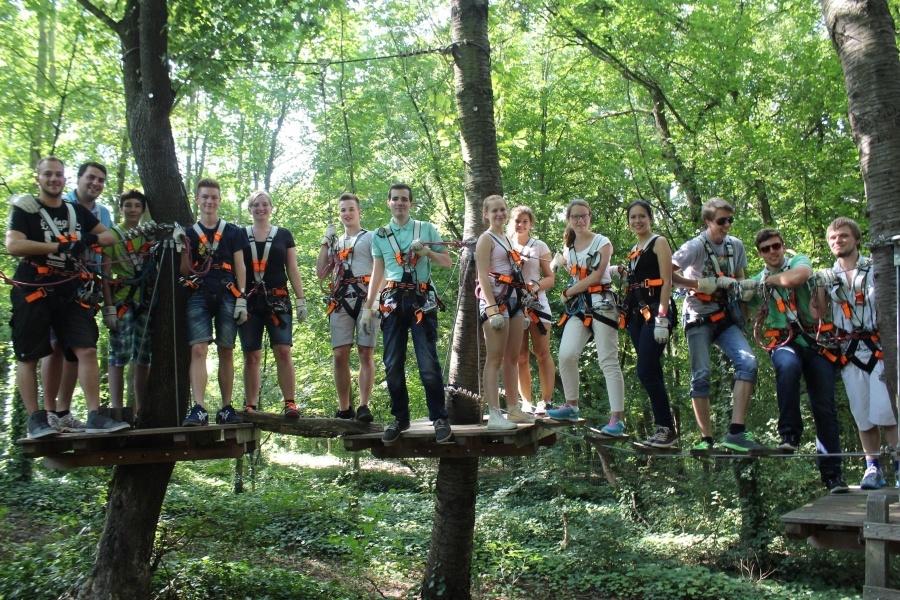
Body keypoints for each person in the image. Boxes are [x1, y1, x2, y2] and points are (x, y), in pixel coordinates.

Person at [7, 156, 130, 438]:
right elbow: (14, 244)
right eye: (48, 174)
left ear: (65, 179)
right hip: (33, 285)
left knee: (84, 347)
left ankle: (95, 415)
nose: (54, 179)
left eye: (59, 175)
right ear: (37, 178)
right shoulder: (26, 208)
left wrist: (89, 239)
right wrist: (61, 246)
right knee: (30, 354)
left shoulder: (76, 211)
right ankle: (37, 419)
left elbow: (109, 237)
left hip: (69, 288)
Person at [742, 228, 847, 493]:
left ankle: (833, 475)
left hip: (816, 343)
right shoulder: (759, 280)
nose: (772, 252)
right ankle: (789, 433)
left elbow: (798, 278)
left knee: (824, 406)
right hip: (785, 343)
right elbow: (744, 306)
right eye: (765, 249)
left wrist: (769, 281)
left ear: (782, 246)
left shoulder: (799, 261)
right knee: (786, 366)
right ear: (760, 254)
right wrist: (737, 287)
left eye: (775, 246)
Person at [361, 184, 454, 444]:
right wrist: (369, 308)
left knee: (427, 364)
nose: (400, 203)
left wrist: (427, 252)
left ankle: (439, 417)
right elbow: (378, 273)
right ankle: (400, 418)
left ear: (411, 204)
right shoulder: (380, 235)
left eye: (404, 199)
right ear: (388, 203)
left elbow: (447, 261)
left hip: (421, 300)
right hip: (391, 302)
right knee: (392, 364)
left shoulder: (425, 229)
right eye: (395, 199)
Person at [671, 197, 763, 452]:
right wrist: (697, 285)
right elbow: (666, 271)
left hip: (726, 318)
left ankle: (736, 432)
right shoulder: (695, 247)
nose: (727, 225)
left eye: (730, 220)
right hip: (698, 317)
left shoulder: (736, 246)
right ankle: (705, 439)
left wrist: (744, 300)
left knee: (748, 363)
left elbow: (741, 278)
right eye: (722, 221)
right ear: (708, 221)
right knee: (701, 375)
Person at [817, 217, 898, 489]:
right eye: (833, 238)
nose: (838, 241)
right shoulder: (828, 277)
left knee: (887, 412)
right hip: (849, 351)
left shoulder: (876, 268)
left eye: (843, 236)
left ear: (856, 239)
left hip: (879, 348)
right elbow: (818, 314)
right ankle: (872, 468)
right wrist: (818, 287)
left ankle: (898, 464)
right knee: (862, 414)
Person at [41, 161, 113, 432]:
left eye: (100, 180)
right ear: (79, 179)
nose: (95, 183)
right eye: (91, 178)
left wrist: (108, 300)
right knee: (54, 345)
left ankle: (64, 411)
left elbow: (105, 251)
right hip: (52, 281)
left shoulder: (103, 214)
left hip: (84, 285)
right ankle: (49, 412)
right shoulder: (62, 204)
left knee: (77, 347)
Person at [546, 199, 626, 436]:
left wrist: (568, 292)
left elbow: (597, 276)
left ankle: (617, 419)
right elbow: (585, 272)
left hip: (602, 304)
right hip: (579, 308)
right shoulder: (569, 249)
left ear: (590, 217)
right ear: (568, 220)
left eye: (584, 216)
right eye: (575, 217)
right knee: (566, 354)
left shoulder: (602, 242)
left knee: (607, 360)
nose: (580, 220)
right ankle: (571, 405)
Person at [178, 178, 249, 426]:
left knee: (226, 349)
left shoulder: (233, 232)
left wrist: (242, 298)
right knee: (198, 348)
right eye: (205, 197)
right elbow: (185, 272)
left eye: (214, 197)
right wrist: (182, 247)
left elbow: (240, 266)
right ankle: (198, 407)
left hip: (228, 292)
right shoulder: (188, 234)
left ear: (219, 200)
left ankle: (226, 406)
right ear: (197, 199)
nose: (209, 201)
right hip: (198, 292)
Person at [238, 190, 307, 417]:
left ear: (271, 207)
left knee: (283, 350)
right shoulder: (240, 235)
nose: (261, 208)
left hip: (278, 300)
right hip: (249, 302)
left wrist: (300, 299)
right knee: (251, 354)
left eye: (265, 204)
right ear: (250, 209)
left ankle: (290, 403)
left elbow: (293, 268)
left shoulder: (283, 235)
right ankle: (251, 405)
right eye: (256, 205)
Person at [620, 201, 678, 448]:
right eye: (633, 217)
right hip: (636, 316)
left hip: (656, 312)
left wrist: (663, 317)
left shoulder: (659, 242)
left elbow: (666, 281)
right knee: (651, 371)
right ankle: (663, 429)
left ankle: (666, 427)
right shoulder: (635, 248)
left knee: (645, 370)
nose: (637, 221)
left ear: (650, 218)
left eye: (642, 216)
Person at [316, 193, 377, 422]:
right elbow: (321, 272)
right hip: (341, 299)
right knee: (339, 354)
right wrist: (325, 242)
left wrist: (375, 302)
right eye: (343, 210)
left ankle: (363, 405)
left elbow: (381, 267)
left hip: (366, 298)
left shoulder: (371, 237)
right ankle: (344, 408)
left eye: (351, 209)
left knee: (365, 352)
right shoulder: (334, 243)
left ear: (359, 212)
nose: (347, 214)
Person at [476, 195, 530, 431]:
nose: (500, 214)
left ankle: (513, 408)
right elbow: (482, 276)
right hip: (495, 302)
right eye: (495, 210)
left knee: (513, 357)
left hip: (515, 301)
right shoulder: (485, 239)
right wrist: (491, 309)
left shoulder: (506, 239)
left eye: (503, 210)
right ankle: (495, 414)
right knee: (495, 358)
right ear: (486, 214)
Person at [101, 190, 155, 414]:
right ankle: (117, 408)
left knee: (143, 355)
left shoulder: (148, 236)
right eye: (128, 205)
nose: (133, 209)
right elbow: (105, 275)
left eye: (137, 205)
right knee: (119, 354)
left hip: (145, 300)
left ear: (143, 210)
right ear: (121, 208)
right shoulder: (112, 236)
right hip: (122, 300)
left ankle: (140, 408)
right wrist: (108, 307)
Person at [508, 205, 556, 418]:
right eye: (517, 221)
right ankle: (525, 402)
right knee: (521, 356)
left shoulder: (540, 246)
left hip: (538, 303)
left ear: (531, 224)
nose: (521, 225)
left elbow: (550, 277)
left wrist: (534, 287)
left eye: (525, 221)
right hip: (513, 303)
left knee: (542, 353)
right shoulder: (505, 244)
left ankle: (547, 401)